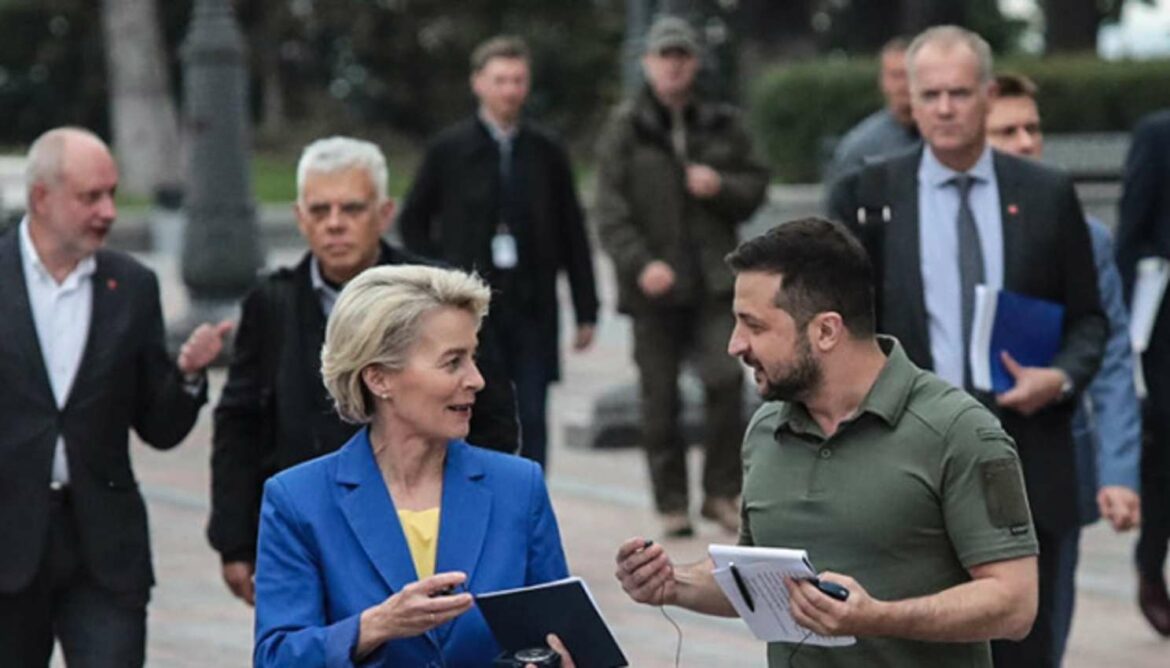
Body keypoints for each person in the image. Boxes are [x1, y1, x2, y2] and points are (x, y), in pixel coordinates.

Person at [615, 217, 1039, 667]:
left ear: (826, 331)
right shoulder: (765, 430)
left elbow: (1015, 604)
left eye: (753, 326)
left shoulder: (960, 431)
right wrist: (672, 583)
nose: (734, 345)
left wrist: (878, 618)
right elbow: (757, 582)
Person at [827, 27, 1107, 667]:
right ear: (911, 101)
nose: (946, 108)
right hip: (907, 464)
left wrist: (1059, 376)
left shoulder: (1044, 194)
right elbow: (838, 326)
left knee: (1024, 648)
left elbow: (1089, 321)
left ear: (987, 96)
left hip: (1025, 455)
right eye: (931, 94)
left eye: (959, 92)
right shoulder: (870, 196)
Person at [208, 136, 519, 607]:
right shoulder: (271, 303)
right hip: (313, 528)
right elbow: (240, 423)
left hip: (425, 523)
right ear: (299, 217)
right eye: (320, 210)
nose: (335, 224)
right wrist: (234, 540)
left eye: (351, 209)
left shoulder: (439, 298)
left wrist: (480, 514)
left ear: (384, 213)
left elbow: (491, 409)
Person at [253, 265, 574, 667]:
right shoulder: (297, 501)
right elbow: (277, 657)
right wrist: (376, 626)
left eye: (472, 358)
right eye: (452, 362)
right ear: (379, 379)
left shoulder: (518, 486)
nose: (476, 379)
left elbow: (564, 638)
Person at [0, 127, 229, 666]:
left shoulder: (132, 286)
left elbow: (159, 425)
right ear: (41, 198)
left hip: (104, 552)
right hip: (8, 548)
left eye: (111, 194)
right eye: (90, 197)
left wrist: (189, 377)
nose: (108, 210)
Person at [985, 71, 1142, 659]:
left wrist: (1119, 470)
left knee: (1043, 639)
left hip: (1051, 465)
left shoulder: (1082, 234)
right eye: (1008, 131)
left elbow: (1111, 351)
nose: (1026, 142)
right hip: (952, 475)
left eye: (1033, 128)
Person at [593, 15, 768, 537]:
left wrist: (721, 186)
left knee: (723, 381)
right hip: (653, 289)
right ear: (648, 64)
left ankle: (720, 492)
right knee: (659, 400)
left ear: (693, 63)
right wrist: (641, 263)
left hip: (715, 282)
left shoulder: (721, 122)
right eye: (664, 56)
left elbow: (756, 183)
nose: (673, 66)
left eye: (681, 56)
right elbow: (609, 209)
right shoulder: (625, 128)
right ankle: (670, 500)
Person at [398, 35, 599, 471]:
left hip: (531, 307)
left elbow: (572, 231)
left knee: (531, 413)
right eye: (500, 80)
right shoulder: (449, 149)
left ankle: (530, 503)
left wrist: (587, 308)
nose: (510, 90)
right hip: (469, 311)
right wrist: (437, 276)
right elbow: (412, 220)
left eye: (518, 80)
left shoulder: (546, 151)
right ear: (478, 84)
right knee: (474, 408)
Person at [1116, 108, 1170, 637]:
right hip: (1164, 330)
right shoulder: (1157, 135)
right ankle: (1150, 567)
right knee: (1164, 460)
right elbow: (1131, 237)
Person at [824, 37, 919, 187]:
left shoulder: (947, 141)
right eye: (896, 75)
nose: (904, 84)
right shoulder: (860, 148)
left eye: (912, 75)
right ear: (882, 81)